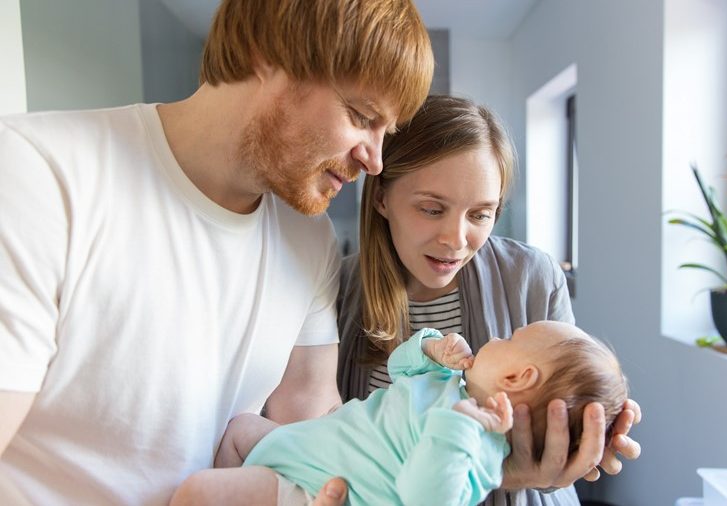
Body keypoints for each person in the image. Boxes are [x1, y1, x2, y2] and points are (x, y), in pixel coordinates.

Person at [0, 0, 433, 504]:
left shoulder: (306, 238)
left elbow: (311, 420)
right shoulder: (36, 174)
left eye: (387, 132)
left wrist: (469, 456)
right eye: (361, 116)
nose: (376, 160)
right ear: (267, 54)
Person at [336, 95, 642, 505]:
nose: (456, 240)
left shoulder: (534, 277)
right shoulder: (336, 289)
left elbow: (551, 457)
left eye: (480, 215)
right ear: (381, 198)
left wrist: (578, 442)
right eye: (431, 209)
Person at [170, 321, 629, 506]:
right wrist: (431, 347)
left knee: (198, 494)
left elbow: (425, 497)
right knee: (239, 428)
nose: (495, 338)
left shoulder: (480, 450)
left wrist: (459, 426)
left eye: (508, 337)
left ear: (516, 378)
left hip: (315, 489)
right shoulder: (451, 381)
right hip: (302, 449)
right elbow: (399, 368)